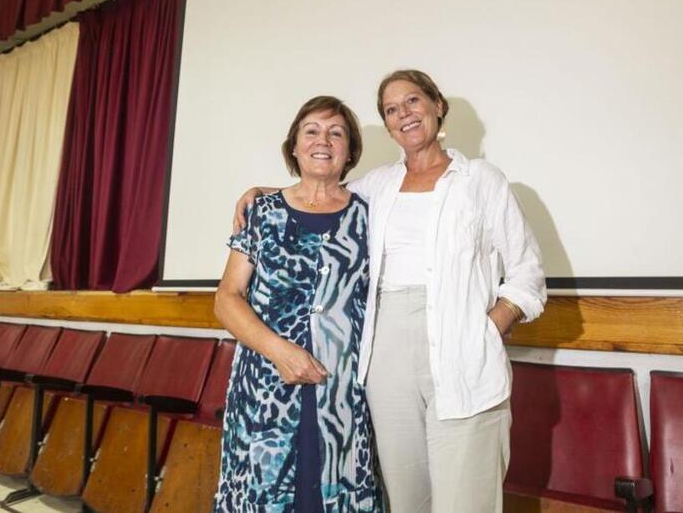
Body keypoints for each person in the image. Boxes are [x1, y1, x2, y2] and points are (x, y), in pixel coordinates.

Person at [235, 70, 547, 512]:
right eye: (391, 109)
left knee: (466, 503)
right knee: (406, 500)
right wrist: (260, 192)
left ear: (438, 106)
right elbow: (320, 192)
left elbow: (527, 273)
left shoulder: (482, 180)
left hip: (463, 353)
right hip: (386, 357)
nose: (404, 114)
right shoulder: (377, 186)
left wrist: (489, 330)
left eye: (413, 101)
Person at [214, 96, 383, 512]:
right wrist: (280, 352)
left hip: (342, 391)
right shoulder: (262, 211)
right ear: (294, 146)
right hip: (267, 383)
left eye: (336, 133)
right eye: (312, 131)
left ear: (350, 152)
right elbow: (226, 299)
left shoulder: (372, 216)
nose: (322, 140)